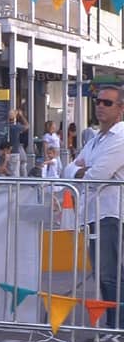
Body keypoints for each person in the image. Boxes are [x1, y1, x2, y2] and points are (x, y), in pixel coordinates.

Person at [67, 85, 124, 328]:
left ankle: (116, 329)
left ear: (120, 108)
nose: (100, 106)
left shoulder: (120, 137)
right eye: (98, 101)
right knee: (104, 275)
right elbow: (67, 170)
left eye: (107, 103)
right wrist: (77, 169)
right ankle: (114, 327)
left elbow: (95, 175)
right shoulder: (95, 138)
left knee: (109, 275)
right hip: (93, 213)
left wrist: (79, 169)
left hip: (110, 212)